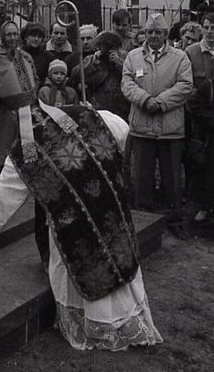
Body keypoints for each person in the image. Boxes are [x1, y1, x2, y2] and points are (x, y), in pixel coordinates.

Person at [0, 103, 162, 352]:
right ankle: (124, 319)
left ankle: (97, 325)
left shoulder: (26, 147)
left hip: (74, 218)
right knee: (113, 260)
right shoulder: (83, 112)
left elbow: (5, 193)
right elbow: (121, 130)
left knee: (82, 260)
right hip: (108, 203)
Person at [121, 12, 193, 224]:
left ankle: (173, 218)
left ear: (165, 34)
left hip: (170, 129)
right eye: (149, 31)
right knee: (142, 177)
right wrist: (144, 100)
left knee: (171, 177)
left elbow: (185, 85)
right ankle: (144, 219)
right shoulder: (133, 56)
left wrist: (160, 102)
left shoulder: (180, 57)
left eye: (158, 32)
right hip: (141, 127)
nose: (153, 36)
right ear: (145, 33)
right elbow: (127, 83)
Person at [0, 21, 39, 179]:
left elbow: (34, 79)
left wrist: (29, 92)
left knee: (24, 149)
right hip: (2, 112)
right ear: (2, 35)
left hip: (23, 110)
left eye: (15, 34)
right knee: (3, 152)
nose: (12, 37)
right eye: (9, 34)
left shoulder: (25, 56)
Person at [185, 15, 214, 221]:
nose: (211, 31)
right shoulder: (191, 52)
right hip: (198, 120)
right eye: (207, 27)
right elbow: (187, 85)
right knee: (199, 162)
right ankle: (200, 204)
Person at [81, 31, 129, 120]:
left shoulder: (127, 57)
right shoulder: (91, 59)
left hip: (121, 105)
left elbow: (133, 76)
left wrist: (120, 63)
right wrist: (92, 64)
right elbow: (80, 77)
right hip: (99, 105)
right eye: (103, 47)